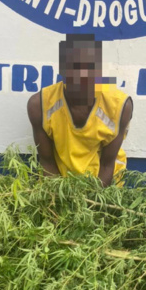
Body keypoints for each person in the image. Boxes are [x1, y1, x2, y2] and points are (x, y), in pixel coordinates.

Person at [27, 34, 133, 187]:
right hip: (63, 182)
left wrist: (92, 203)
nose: (82, 75)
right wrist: (61, 198)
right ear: (63, 70)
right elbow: (47, 162)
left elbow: (107, 165)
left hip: (104, 184)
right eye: (75, 67)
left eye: (90, 68)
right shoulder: (39, 105)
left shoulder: (119, 105)